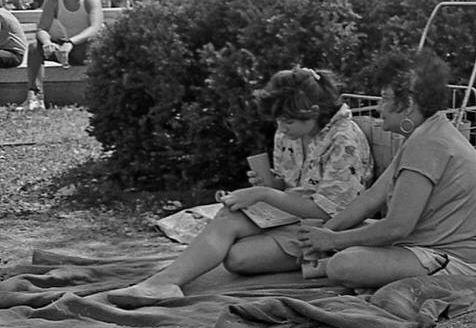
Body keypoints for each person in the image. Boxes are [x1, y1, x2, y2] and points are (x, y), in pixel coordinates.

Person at [109, 68, 373, 305]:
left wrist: (264, 193)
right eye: (278, 121)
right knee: (229, 218)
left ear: (313, 112)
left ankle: (167, 280)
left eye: (288, 122)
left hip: (328, 229)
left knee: (237, 258)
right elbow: (291, 184)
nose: (281, 128)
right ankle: (164, 282)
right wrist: (268, 184)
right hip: (294, 217)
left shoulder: (343, 141)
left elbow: (330, 213)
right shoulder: (291, 132)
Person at [300, 49, 476, 288]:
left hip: (451, 260)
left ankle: (326, 267)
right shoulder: (424, 134)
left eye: (384, 99)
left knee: (345, 264)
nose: (379, 108)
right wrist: (324, 234)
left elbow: (397, 227)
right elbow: (372, 198)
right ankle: (326, 263)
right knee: (351, 230)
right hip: (421, 245)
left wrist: (333, 242)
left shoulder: (427, 144)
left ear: (408, 104)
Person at [24, 0, 104, 110]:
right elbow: (42, 28)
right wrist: (47, 42)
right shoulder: (53, 0)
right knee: (35, 47)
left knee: (91, 44)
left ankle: (98, 96)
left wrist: (70, 43)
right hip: (68, 49)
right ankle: (35, 97)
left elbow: (95, 28)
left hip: (90, 48)